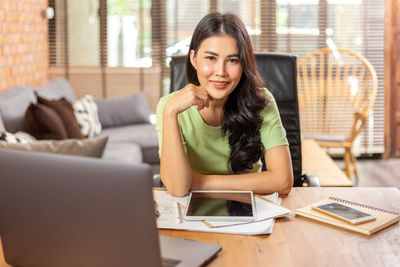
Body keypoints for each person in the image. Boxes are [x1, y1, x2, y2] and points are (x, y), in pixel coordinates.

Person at [156, 12, 293, 197]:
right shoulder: (169, 106)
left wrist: (198, 181)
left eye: (232, 60)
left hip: (252, 206)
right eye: (211, 58)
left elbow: (283, 181)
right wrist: (170, 112)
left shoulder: (261, 100)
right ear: (194, 59)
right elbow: (178, 188)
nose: (220, 72)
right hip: (193, 208)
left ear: (243, 64)